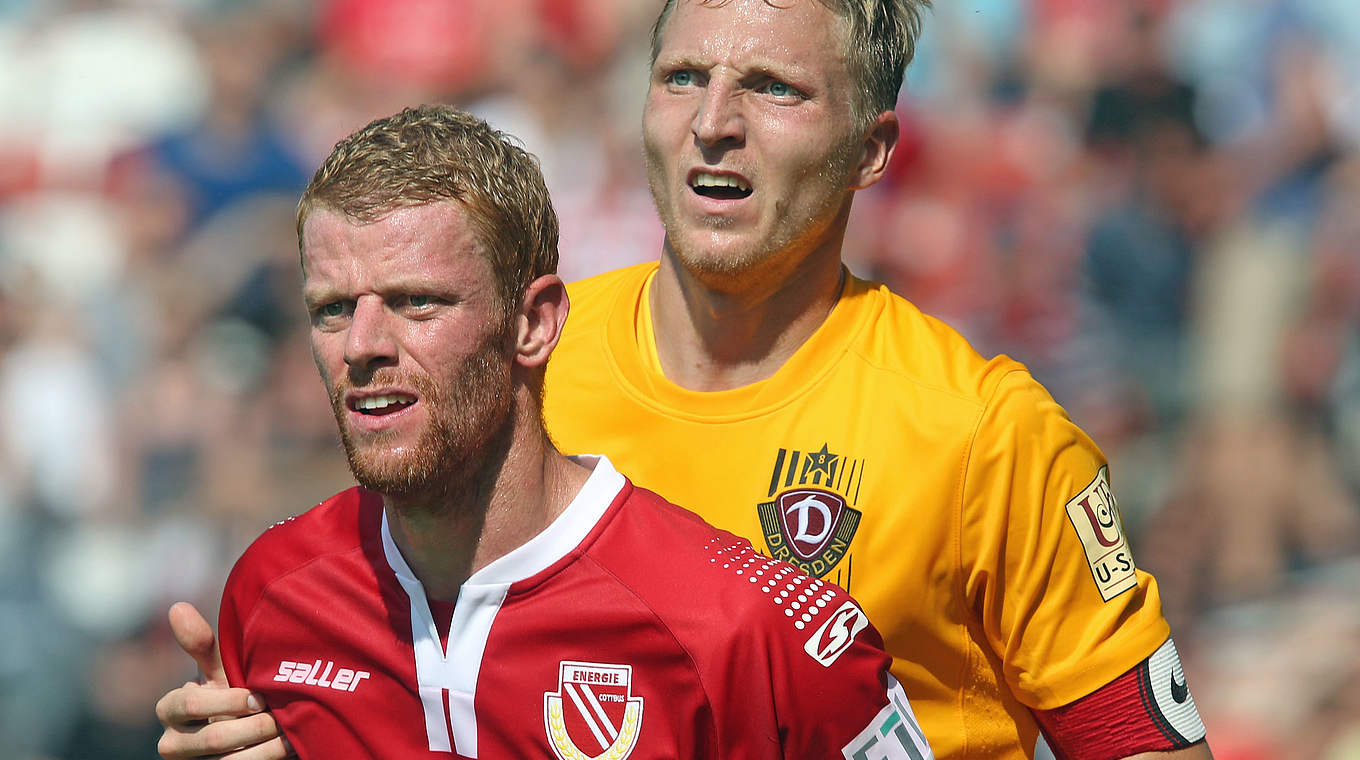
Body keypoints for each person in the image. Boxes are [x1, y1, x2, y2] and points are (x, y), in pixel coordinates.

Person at [158, 0, 1215, 758]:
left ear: (873, 148)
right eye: (681, 77)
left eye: (774, 86)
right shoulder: (513, 354)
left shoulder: (985, 435)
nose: (714, 120)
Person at [155, 104, 933, 759]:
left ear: (533, 324)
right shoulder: (274, 593)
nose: (361, 346)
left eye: (416, 302)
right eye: (333, 308)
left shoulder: (747, 632)